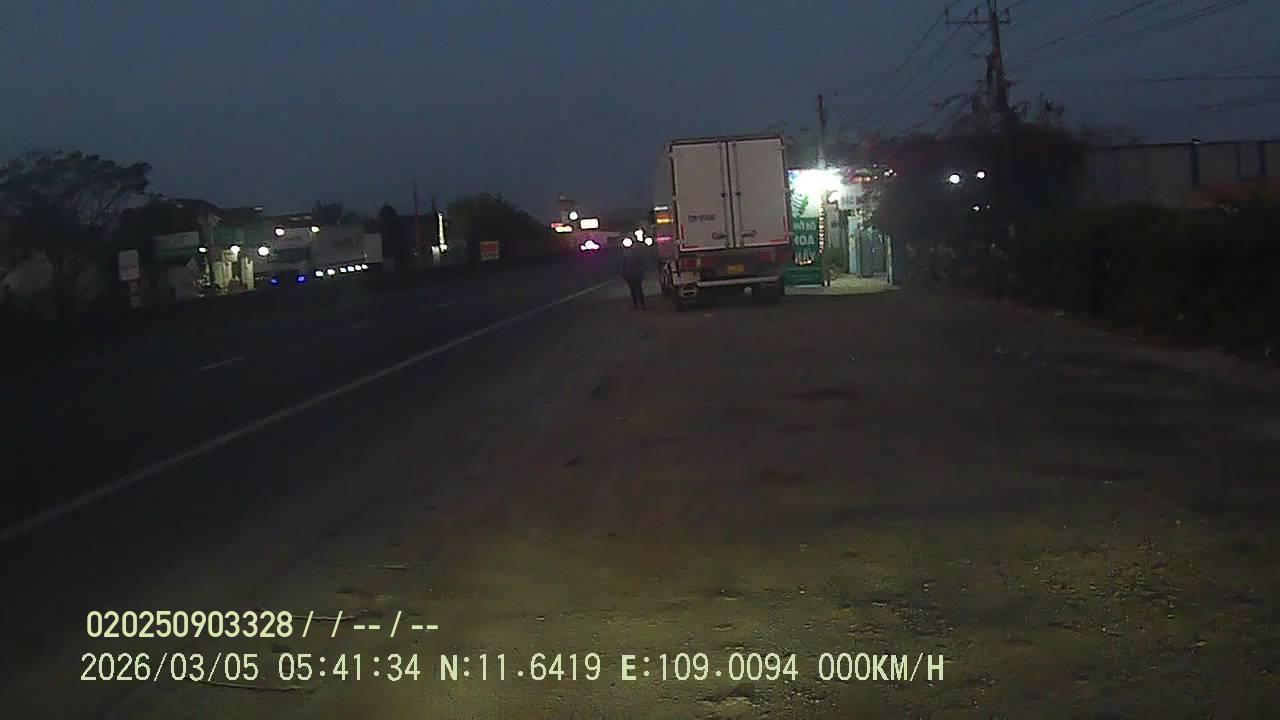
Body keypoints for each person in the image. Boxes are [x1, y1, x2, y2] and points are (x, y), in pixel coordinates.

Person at [620, 244, 647, 310]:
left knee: (633, 291)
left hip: (630, 275)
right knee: (638, 290)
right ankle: (642, 305)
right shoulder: (637, 255)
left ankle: (636, 305)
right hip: (635, 274)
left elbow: (623, 266)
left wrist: (624, 274)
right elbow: (641, 265)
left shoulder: (626, 256)